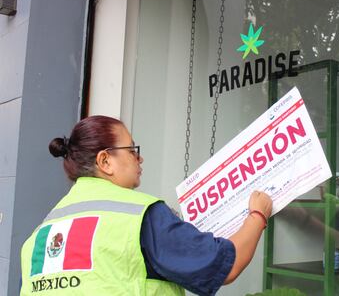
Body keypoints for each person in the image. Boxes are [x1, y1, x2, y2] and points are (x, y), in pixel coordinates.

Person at [20, 115, 272, 296]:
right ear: (105, 161)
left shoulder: (37, 239)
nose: (140, 158)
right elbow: (225, 266)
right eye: (132, 150)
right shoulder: (139, 216)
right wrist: (258, 214)